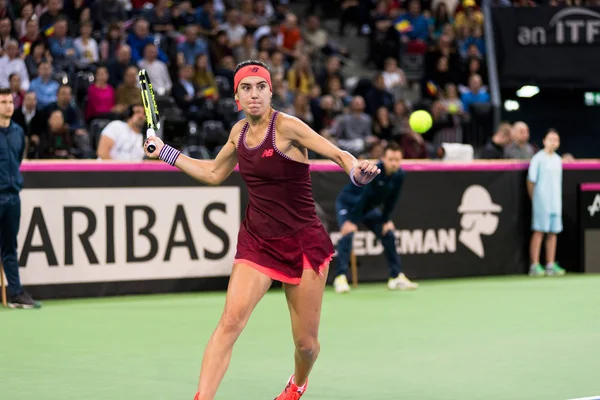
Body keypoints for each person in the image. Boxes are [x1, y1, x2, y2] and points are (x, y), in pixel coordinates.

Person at [143, 60, 381, 400]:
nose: (254, 94)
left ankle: (298, 383)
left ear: (271, 92)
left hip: (303, 244)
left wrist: (355, 171)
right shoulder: (238, 133)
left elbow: (337, 153)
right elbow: (213, 174)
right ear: (237, 96)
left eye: (260, 87)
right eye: (246, 88)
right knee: (230, 322)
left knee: (306, 345)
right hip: (257, 241)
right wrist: (166, 152)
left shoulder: (288, 127)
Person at [333, 142, 419, 293]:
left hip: (367, 208)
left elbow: (392, 199)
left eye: (397, 160)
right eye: (391, 159)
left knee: (389, 233)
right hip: (349, 204)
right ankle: (340, 277)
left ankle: (396, 277)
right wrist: (352, 221)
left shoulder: (400, 175)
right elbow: (363, 197)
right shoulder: (373, 172)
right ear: (383, 159)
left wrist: (385, 220)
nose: (394, 163)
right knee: (348, 234)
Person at [0, 88, 41, 308]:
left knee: (9, 247)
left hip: (12, 197)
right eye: (3, 102)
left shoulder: (17, 132)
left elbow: (17, 160)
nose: (7, 105)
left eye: (9, 101)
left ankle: (15, 293)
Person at [527, 129, 566, 277]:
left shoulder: (557, 159)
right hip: (541, 202)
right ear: (544, 141)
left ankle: (550, 264)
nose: (553, 142)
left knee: (553, 233)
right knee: (539, 232)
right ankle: (535, 264)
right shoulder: (538, 158)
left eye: (556, 139)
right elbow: (531, 181)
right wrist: (535, 199)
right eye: (550, 139)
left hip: (555, 202)